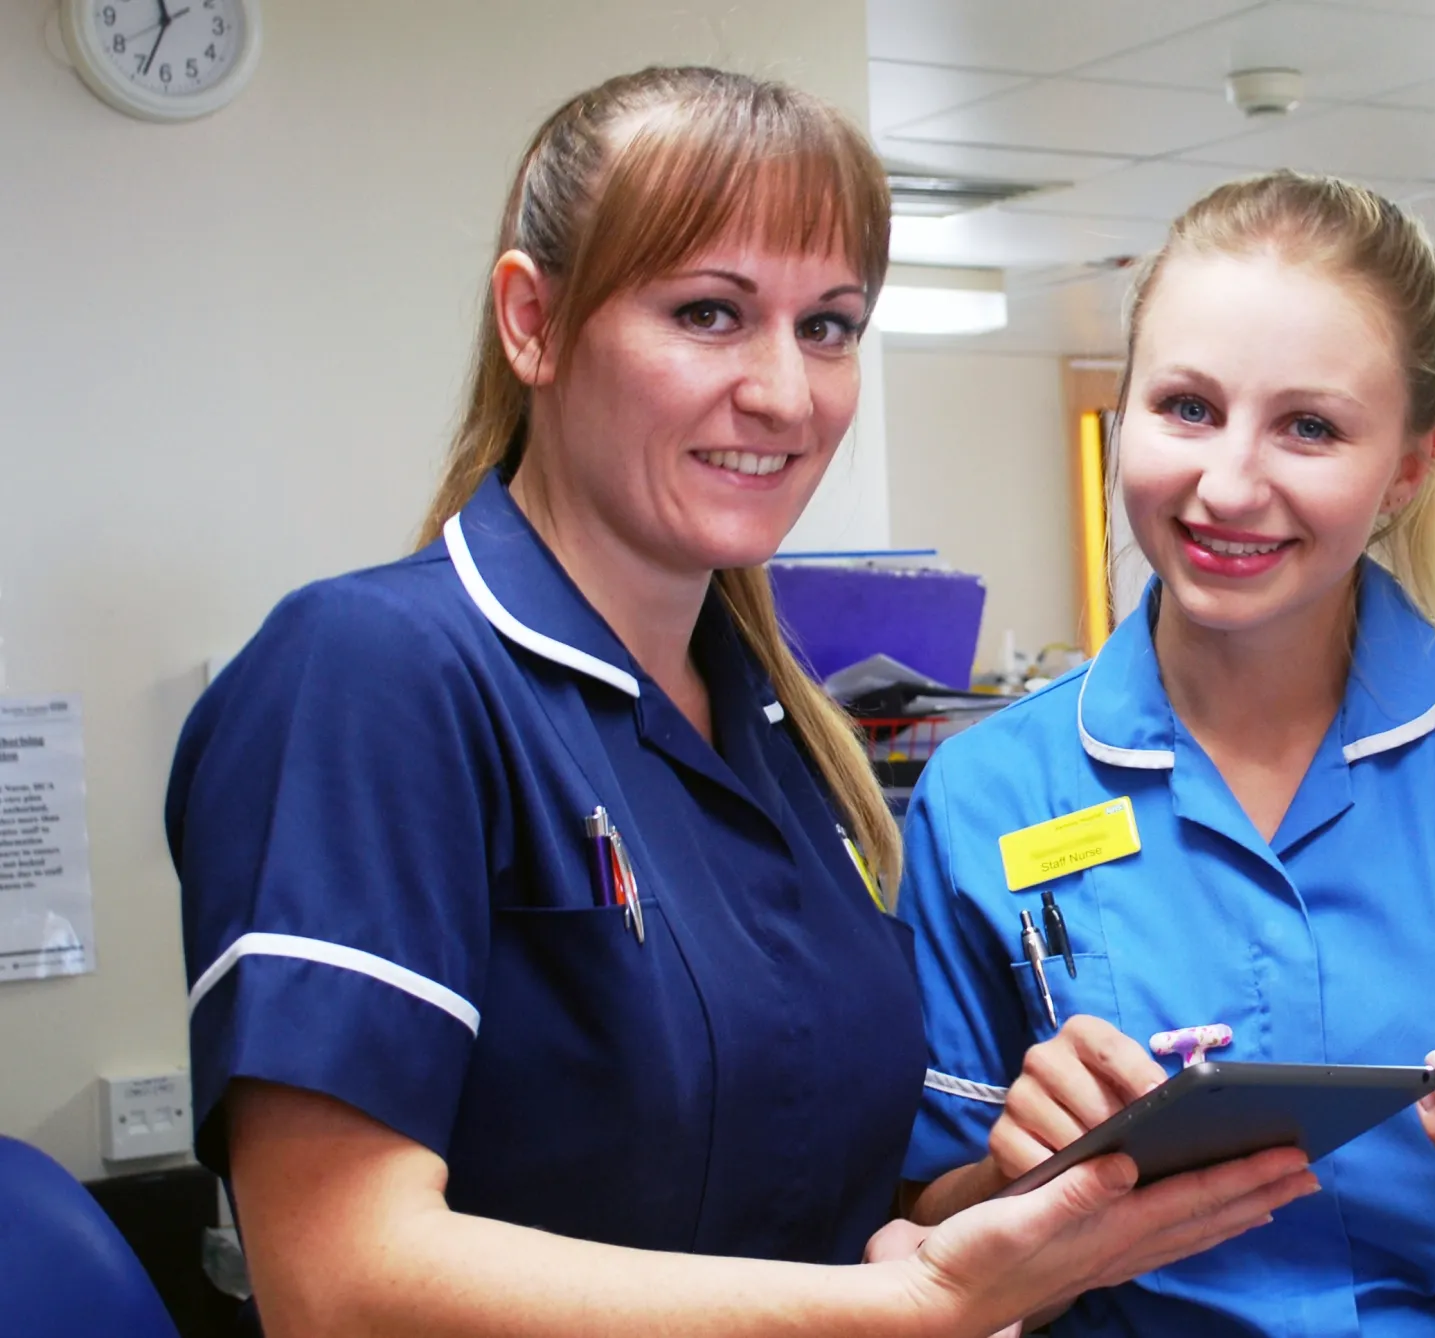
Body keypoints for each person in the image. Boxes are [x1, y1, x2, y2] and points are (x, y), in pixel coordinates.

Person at [165, 68, 1318, 1337]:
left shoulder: (779, 736)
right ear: (531, 321)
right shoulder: (376, 673)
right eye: (710, 314)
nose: (784, 392)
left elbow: (820, 1212)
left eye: (827, 326)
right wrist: (913, 1309)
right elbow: (339, 1283)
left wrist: (1034, 1189)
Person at [897, 171, 1435, 1336]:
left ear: (1406, 464)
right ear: (1125, 409)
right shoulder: (984, 795)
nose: (1228, 483)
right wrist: (1020, 1178)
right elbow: (931, 1228)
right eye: (1185, 407)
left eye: (1309, 427)